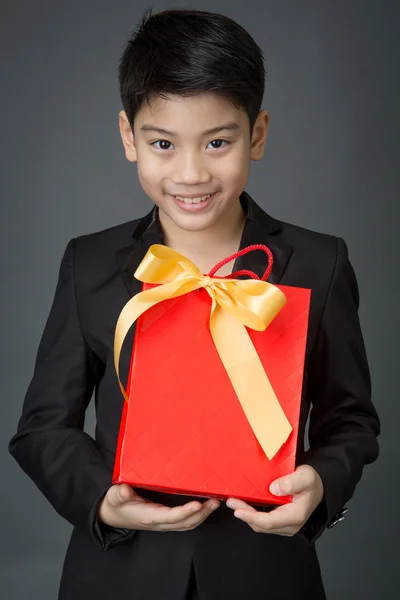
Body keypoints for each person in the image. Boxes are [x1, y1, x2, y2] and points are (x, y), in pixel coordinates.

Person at [9, 7, 380, 600]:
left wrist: (322, 486)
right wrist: (104, 502)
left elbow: (351, 419)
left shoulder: (320, 263)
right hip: (119, 575)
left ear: (256, 134)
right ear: (129, 138)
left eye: (217, 142)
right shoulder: (90, 264)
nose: (190, 172)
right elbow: (42, 428)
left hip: (267, 572)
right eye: (162, 142)